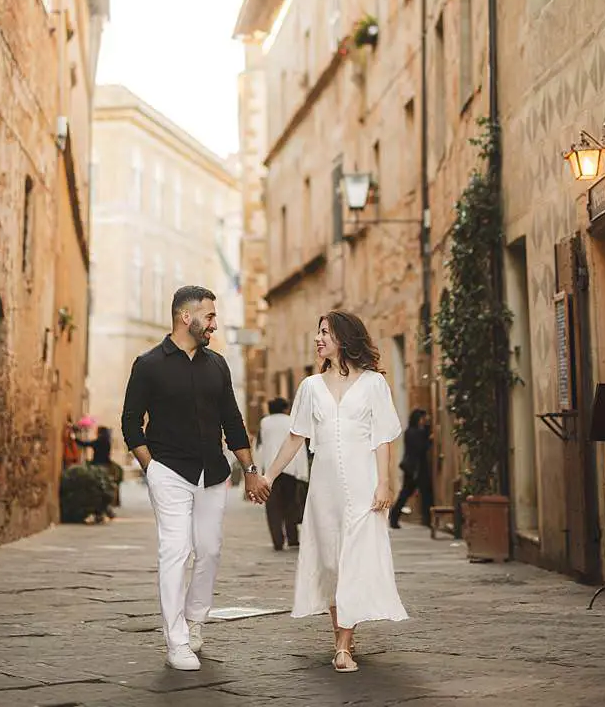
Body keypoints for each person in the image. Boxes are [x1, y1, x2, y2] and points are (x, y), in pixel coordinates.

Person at [121, 285, 268, 672]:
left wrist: (250, 471)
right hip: (168, 471)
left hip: (213, 475)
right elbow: (130, 422)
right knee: (176, 550)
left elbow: (233, 422)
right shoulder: (148, 364)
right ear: (187, 317)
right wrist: (150, 466)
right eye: (210, 316)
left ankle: (194, 620)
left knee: (210, 550)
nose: (215, 325)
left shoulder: (217, 364)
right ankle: (176, 639)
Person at [260, 311, 408, 671]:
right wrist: (268, 475)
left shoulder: (373, 384)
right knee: (330, 563)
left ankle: (343, 645)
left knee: (354, 559)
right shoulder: (310, 387)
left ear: (344, 338)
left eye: (325, 332)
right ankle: (342, 630)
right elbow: (296, 436)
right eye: (318, 332)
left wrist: (385, 482)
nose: (318, 338)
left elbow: (383, 439)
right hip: (323, 489)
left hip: (362, 486)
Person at [257, 397, 307, 552]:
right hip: (290, 469)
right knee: (291, 504)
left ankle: (277, 540)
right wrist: (303, 472)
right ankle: (293, 538)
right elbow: (298, 446)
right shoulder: (291, 420)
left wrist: (258, 471)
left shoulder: (264, 423)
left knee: (273, 507)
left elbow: (259, 447)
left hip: (270, 470)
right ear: (285, 408)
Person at [389, 409, 434, 530]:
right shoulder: (414, 433)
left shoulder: (411, 432)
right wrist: (429, 440)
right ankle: (394, 517)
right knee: (411, 494)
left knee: (414, 493)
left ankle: (395, 517)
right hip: (414, 469)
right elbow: (421, 448)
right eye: (423, 419)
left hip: (414, 468)